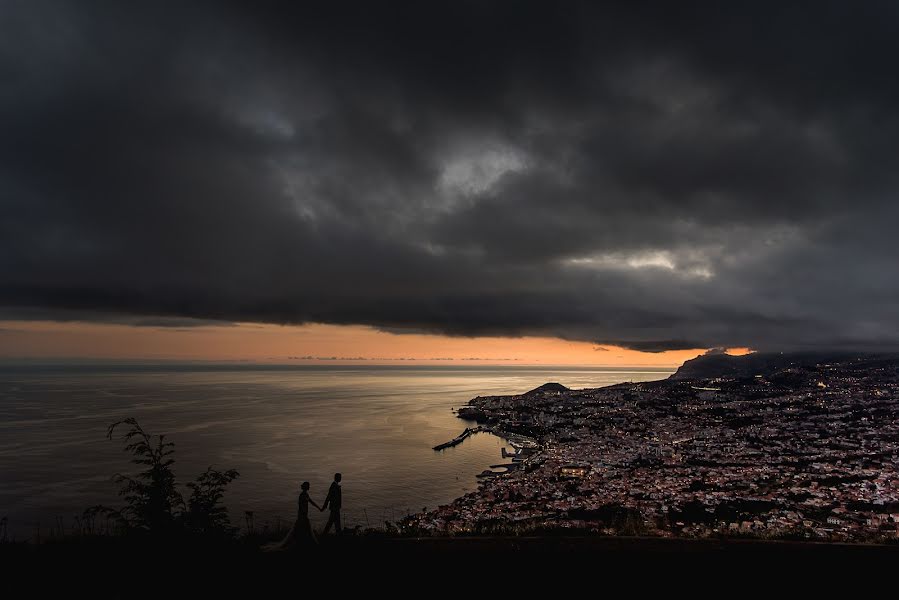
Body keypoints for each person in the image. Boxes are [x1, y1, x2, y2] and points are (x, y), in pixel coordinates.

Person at [264, 481, 320, 551]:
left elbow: (311, 502)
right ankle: (302, 543)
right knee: (302, 529)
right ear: (306, 487)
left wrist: (318, 507)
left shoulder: (306, 495)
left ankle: (304, 543)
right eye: (308, 486)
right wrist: (303, 513)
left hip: (304, 515)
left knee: (304, 529)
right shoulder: (302, 495)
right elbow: (301, 506)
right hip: (302, 515)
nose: (309, 487)